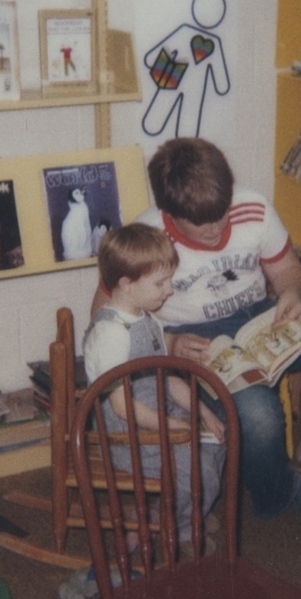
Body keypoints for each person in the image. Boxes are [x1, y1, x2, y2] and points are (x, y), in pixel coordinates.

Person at [91, 137, 301, 545]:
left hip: (260, 318)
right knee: (259, 416)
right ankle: (281, 493)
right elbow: (105, 315)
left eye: (222, 216)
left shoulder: (252, 208)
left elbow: (290, 272)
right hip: (193, 340)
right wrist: (167, 343)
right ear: (171, 215)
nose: (218, 231)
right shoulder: (145, 235)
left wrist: (290, 293)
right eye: (204, 225)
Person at [83, 222, 226, 552]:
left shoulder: (147, 319)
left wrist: (203, 412)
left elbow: (167, 380)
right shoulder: (111, 333)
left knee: (219, 439)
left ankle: (178, 514)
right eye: (161, 283)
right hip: (130, 435)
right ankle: (185, 529)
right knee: (196, 467)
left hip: (156, 413)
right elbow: (121, 407)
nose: (170, 290)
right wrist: (173, 426)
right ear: (127, 284)